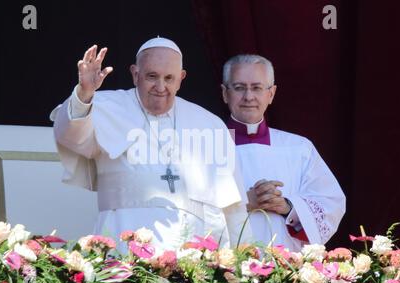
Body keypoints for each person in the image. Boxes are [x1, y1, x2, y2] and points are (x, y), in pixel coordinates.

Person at [50, 37, 251, 252]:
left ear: (181, 79)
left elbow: (234, 207)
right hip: (123, 247)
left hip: (193, 257)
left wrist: (243, 261)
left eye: (169, 78)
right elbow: (70, 136)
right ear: (135, 74)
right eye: (152, 76)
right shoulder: (103, 106)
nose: (160, 87)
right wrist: (84, 93)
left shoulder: (209, 124)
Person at [222, 54, 346, 252]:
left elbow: (331, 204)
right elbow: (189, 208)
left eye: (257, 87)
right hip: (225, 270)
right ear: (225, 93)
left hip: (287, 269)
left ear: (271, 94)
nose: (248, 96)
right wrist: (246, 202)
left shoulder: (298, 148)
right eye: (239, 87)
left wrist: (288, 206)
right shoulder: (206, 146)